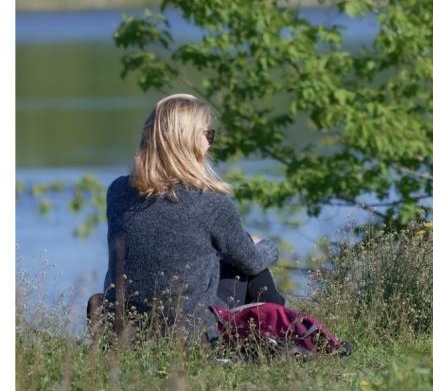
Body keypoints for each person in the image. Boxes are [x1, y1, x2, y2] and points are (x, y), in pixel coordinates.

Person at [90, 93, 286, 342]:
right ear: (189, 141)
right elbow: (251, 262)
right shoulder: (211, 202)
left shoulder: (117, 192)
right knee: (252, 265)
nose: (209, 144)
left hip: (126, 327)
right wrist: (265, 246)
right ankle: (283, 333)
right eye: (208, 135)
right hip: (193, 333)